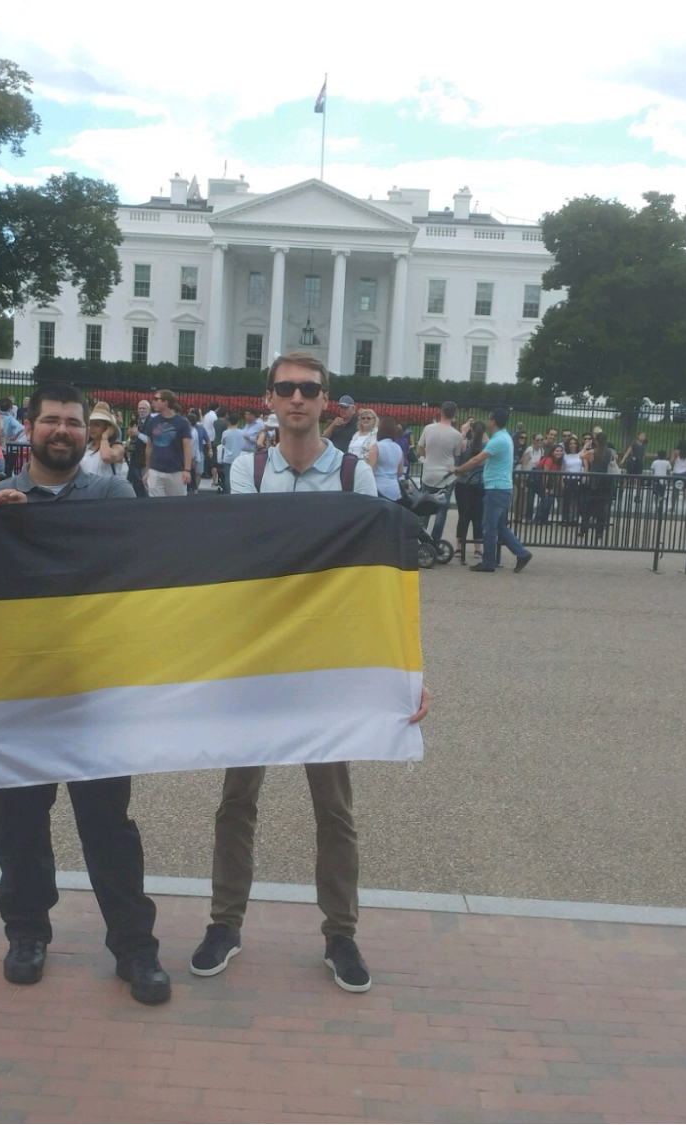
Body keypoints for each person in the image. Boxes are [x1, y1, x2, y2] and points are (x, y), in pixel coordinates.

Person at [198, 351, 428, 995]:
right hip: (260, 660)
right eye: (285, 389)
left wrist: (407, 670)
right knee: (237, 800)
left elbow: (380, 578)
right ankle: (225, 922)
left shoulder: (355, 473)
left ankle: (341, 934)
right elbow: (250, 555)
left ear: (327, 401)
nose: (297, 399)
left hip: (327, 665)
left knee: (334, 806)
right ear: (268, 399)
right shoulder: (249, 466)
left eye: (309, 389)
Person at [0, 382, 170, 1005]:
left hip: (96, 696)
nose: (62, 431)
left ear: (87, 432)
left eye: (73, 422)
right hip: (17, 695)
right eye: (51, 421)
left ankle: (133, 946)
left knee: (109, 828)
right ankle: (26, 933)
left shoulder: (112, 494)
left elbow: (143, 574)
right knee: (17, 825)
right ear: (29, 430)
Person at [454, 408, 533, 574]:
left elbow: (477, 459)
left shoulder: (498, 440)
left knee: (489, 527)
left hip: (496, 488)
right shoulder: (503, 437)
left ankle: (489, 562)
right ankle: (522, 553)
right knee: (499, 527)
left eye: (489, 418)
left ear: (494, 421)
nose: (488, 420)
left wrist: (459, 469)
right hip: (502, 487)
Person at [417, 402, 461, 543]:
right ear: (455, 415)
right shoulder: (456, 435)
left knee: (424, 506)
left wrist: (428, 456)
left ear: (441, 412)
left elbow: (420, 449)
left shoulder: (428, 429)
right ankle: (436, 540)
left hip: (429, 473)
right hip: (446, 476)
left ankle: (422, 537)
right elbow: (457, 455)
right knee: (442, 510)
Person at [138, 388, 194, 496]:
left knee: (176, 507)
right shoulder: (153, 422)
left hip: (176, 471)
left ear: (165, 402)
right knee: (156, 506)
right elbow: (149, 447)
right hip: (155, 470)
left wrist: (187, 470)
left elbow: (187, 447)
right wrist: (147, 469)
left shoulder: (182, 423)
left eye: (156, 399)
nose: (153, 402)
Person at [452, 418, 487, 562]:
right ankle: (478, 548)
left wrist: (463, 431)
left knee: (463, 516)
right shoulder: (486, 447)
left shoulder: (465, 444)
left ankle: (460, 546)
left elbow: (456, 457)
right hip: (479, 483)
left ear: (472, 431)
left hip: (463, 483)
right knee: (478, 516)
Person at [81, 401, 126, 477]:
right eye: (90, 424)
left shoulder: (117, 447)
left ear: (107, 428)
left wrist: (105, 436)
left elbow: (106, 457)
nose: (92, 428)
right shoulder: (86, 446)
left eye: (97, 425)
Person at [370, 419, 406, 501]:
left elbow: (370, 470)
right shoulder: (398, 448)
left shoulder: (376, 447)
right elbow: (400, 472)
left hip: (378, 488)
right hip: (394, 488)